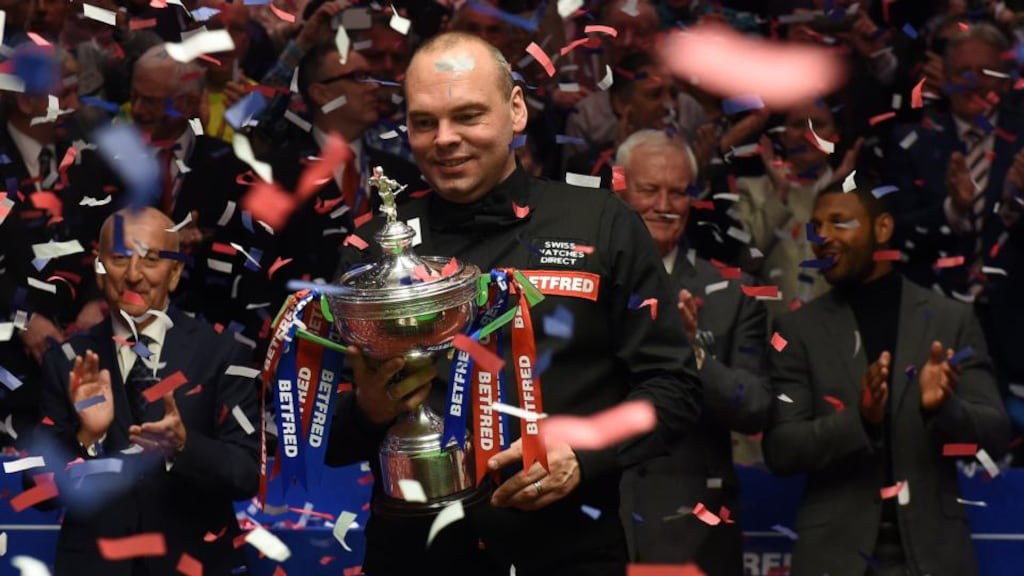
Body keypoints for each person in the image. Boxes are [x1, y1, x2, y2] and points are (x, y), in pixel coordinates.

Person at [324, 32, 702, 576]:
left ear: (516, 111)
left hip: (569, 553)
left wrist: (586, 455)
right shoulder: (370, 252)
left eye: (468, 116)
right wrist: (368, 411)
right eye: (424, 122)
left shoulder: (601, 223)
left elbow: (674, 387)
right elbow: (315, 430)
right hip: (415, 557)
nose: (444, 139)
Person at [762, 180, 1011, 576]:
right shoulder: (796, 331)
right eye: (816, 226)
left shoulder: (950, 320)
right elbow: (780, 449)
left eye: (839, 223)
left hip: (934, 556)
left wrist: (946, 408)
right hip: (833, 557)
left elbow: (996, 435)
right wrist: (859, 420)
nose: (822, 237)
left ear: (882, 229)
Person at [33, 207, 260, 575]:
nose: (134, 275)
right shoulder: (68, 361)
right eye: (121, 258)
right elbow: (38, 491)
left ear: (174, 274)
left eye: (151, 259)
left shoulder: (223, 353)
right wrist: (86, 437)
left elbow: (247, 474)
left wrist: (185, 446)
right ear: (100, 269)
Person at [614, 130, 770, 575]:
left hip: (693, 536)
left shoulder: (731, 295)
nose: (664, 204)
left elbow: (756, 407)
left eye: (678, 192)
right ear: (619, 188)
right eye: (649, 189)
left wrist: (693, 356)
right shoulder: (587, 284)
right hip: (595, 522)